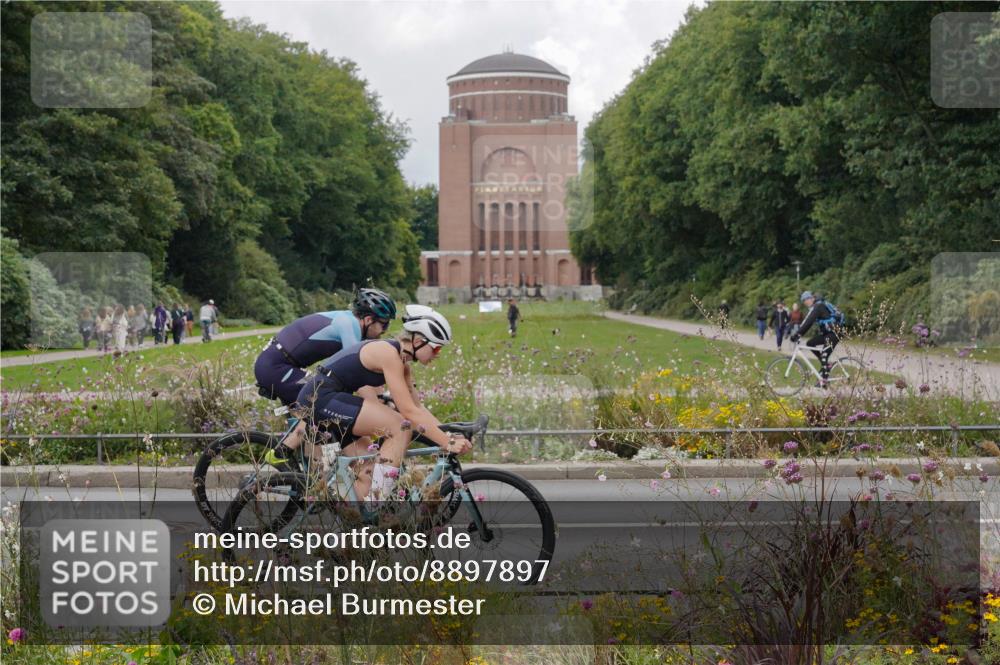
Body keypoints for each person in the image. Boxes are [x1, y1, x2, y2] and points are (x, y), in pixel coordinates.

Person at [296, 305, 470, 501]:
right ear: (420, 341)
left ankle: (357, 522)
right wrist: (448, 443)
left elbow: (418, 409)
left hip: (331, 399)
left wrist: (446, 434)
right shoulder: (389, 354)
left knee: (367, 473)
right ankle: (377, 502)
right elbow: (408, 413)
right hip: (320, 397)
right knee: (400, 426)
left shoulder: (402, 365)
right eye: (437, 347)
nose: (438, 354)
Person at [258, 288, 397, 465]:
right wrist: (377, 407)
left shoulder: (350, 321)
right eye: (384, 325)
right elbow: (360, 371)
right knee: (319, 400)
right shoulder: (350, 326)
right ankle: (282, 452)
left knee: (319, 421)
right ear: (369, 320)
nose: (384, 331)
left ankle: (308, 480)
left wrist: (380, 395)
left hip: (280, 365)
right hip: (276, 368)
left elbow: (368, 370)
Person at [790, 291, 840, 384]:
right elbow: (807, 322)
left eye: (806, 299)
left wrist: (797, 334)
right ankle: (827, 366)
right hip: (827, 334)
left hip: (834, 334)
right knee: (810, 343)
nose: (805, 302)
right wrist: (800, 334)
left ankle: (824, 382)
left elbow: (808, 322)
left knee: (824, 355)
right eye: (803, 301)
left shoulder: (818, 306)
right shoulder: (816, 307)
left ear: (811, 298)